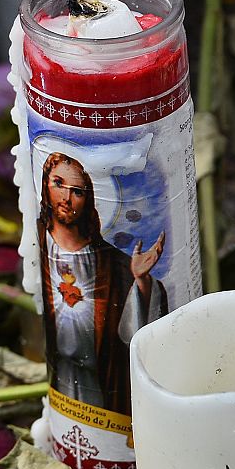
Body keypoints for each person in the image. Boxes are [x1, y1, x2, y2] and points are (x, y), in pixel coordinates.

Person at [36, 151, 167, 416]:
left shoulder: (109, 262)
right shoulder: (40, 239)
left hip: (97, 380)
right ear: (45, 185)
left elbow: (137, 336)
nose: (66, 198)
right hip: (59, 373)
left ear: (88, 199)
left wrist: (140, 280)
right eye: (58, 184)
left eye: (78, 192)